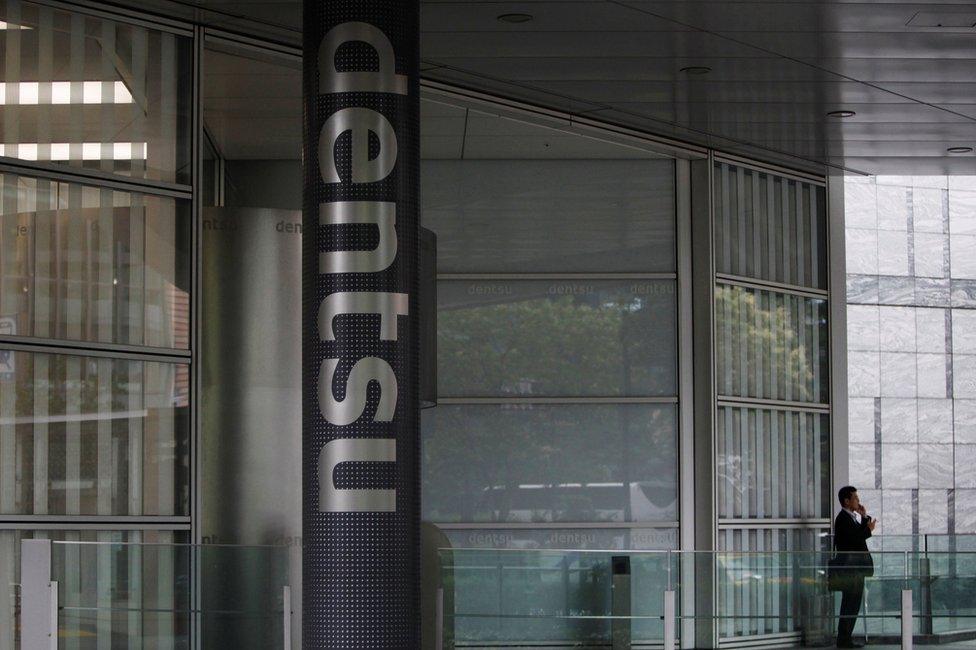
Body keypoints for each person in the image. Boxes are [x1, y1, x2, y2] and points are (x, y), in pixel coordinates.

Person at [833, 485, 876, 648]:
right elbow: (854, 539)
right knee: (849, 603)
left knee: (853, 603)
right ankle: (843, 639)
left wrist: (864, 516)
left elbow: (857, 533)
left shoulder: (850, 517)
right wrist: (869, 530)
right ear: (847, 501)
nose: (858, 501)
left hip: (855, 568)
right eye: (855, 498)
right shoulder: (843, 519)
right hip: (850, 569)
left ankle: (846, 638)